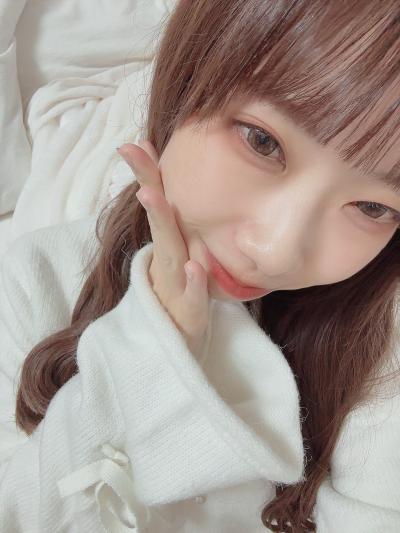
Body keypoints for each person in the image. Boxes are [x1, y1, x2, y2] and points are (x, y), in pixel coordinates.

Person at [1, 1, 400, 531]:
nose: (275, 251)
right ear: (184, 81)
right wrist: (148, 347)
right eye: (262, 142)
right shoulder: (36, 281)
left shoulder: (381, 345)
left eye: (372, 207)